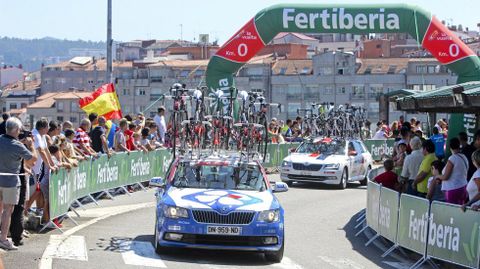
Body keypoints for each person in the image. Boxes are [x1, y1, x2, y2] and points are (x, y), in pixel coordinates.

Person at [0, 118, 36, 250]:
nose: (21, 131)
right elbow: (33, 160)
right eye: (20, 129)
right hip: (10, 182)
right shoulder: (18, 146)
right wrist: (31, 145)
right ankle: (3, 239)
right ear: (15, 130)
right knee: (7, 211)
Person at [434, 138, 469, 205]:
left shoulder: (452, 158)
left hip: (453, 190)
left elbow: (445, 177)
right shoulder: (464, 157)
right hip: (463, 187)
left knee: (452, 211)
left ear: (449, 147)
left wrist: (437, 176)